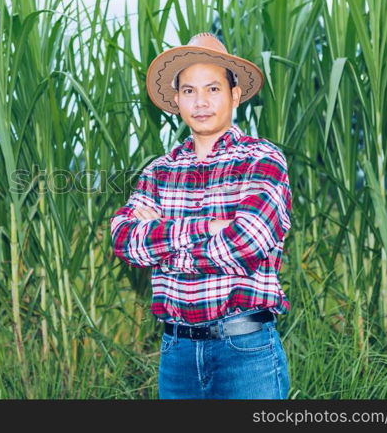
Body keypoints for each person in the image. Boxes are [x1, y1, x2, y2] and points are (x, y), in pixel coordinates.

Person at [110, 32, 292, 399]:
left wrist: (161, 239)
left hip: (245, 350)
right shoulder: (158, 171)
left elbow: (245, 245)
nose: (201, 102)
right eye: (190, 91)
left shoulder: (261, 160)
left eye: (212, 89)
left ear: (234, 94)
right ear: (177, 100)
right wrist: (210, 227)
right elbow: (125, 242)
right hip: (176, 354)